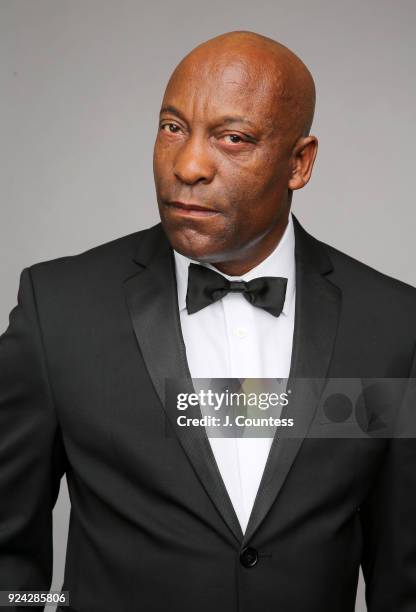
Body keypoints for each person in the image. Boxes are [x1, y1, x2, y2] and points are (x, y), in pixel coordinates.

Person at [0, 30, 415, 612]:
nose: (188, 165)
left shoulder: (393, 326)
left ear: (300, 163)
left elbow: (406, 578)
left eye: (233, 138)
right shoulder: (58, 308)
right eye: (172, 128)